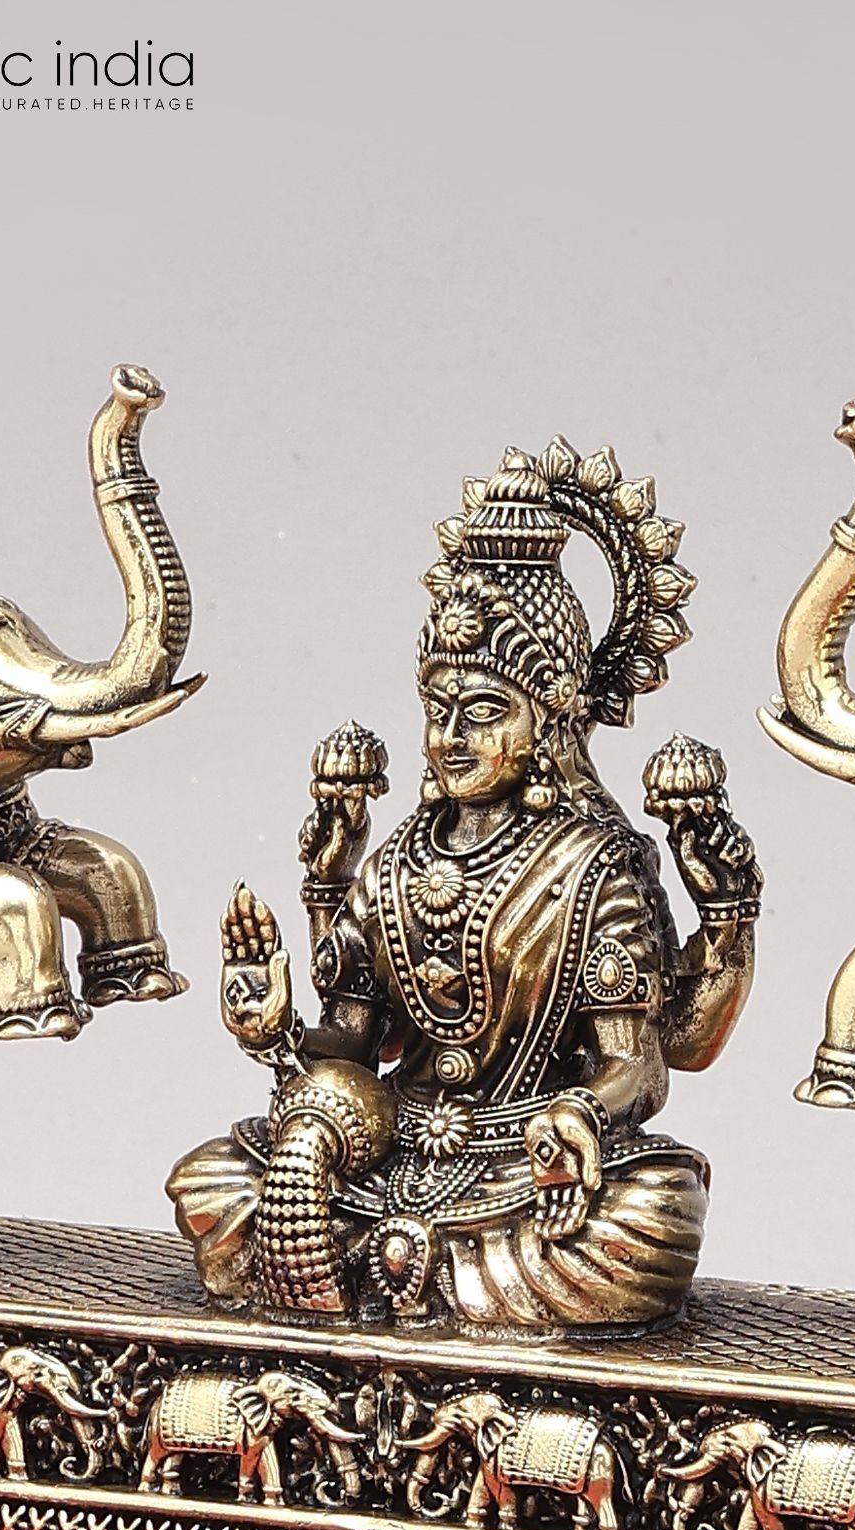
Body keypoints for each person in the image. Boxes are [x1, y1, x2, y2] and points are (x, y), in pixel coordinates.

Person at [169, 442, 760, 1328]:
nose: (450, 738)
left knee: (656, 1215)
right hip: (385, 1149)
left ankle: (369, 1278)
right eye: (437, 711)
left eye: (483, 713)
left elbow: (638, 1066)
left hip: (533, 1166)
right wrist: (276, 1028)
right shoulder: (396, 861)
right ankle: (403, 1277)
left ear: (548, 718)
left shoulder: (594, 866)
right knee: (211, 1181)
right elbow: (353, 1050)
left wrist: (580, 1116)